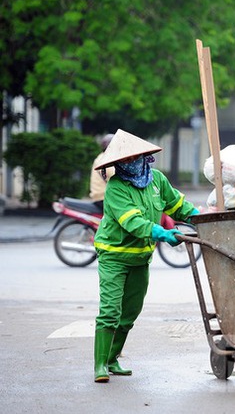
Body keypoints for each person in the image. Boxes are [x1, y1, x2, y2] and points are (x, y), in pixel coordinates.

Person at [91, 129, 199, 383]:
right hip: (113, 256)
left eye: (134, 158)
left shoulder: (157, 180)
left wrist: (202, 219)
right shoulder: (116, 187)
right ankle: (99, 365)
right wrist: (162, 233)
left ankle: (112, 358)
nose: (130, 163)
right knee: (110, 311)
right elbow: (133, 222)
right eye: (124, 160)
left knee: (130, 312)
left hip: (141, 258)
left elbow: (177, 206)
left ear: (144, 156)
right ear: (117, 164)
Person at [89, 134, 115, 210]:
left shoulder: (103, 157)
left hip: (104, 197)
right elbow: (114, 175)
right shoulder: (105, 159)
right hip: (103, 197)